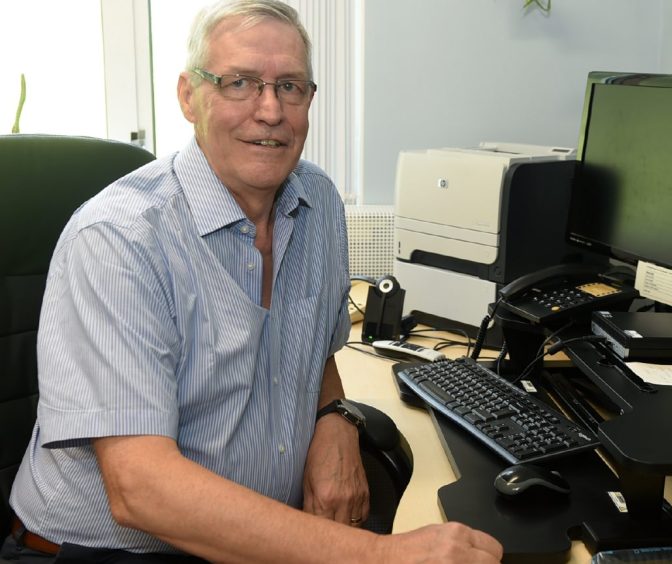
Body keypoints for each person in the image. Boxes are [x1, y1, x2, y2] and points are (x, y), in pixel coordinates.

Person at [2, 1, 502, 562]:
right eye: (239, 83)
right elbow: (140, 490)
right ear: (189, 97)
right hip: (103, 549)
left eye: (290, 86)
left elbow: (316, 354)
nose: (270, 111)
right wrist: (379, 556)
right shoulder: (119, 238)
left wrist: (334, 420)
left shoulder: (318, 205)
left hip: (257, 534)